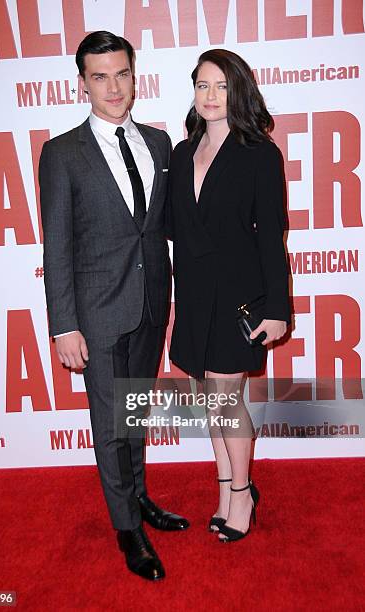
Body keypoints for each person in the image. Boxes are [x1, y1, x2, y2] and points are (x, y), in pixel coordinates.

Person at [39, 31, 189, 581]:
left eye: (122, 73)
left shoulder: (159, 143)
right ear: (82, 83)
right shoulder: (61, 153)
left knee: (134, 414)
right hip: (96, 314)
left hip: (151, 304)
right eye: (100, 77)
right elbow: (57, 245)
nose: (113, 87)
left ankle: (141, 498)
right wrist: (64, 326)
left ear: (135, 75)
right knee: (109, 421)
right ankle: (128, 530)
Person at [167, 49, 291, 542]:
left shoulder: (259, 153)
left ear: (239, 90)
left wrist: (277, 309)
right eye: (202, 85)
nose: (211, 96)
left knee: (223, 399)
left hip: (241, 296)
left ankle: (242, 492)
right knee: (209, 400)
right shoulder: (181, 153)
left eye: (221, 86)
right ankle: (226, 486)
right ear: (193, 93)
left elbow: (271, 237)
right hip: (195, 295)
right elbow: (177, 227)